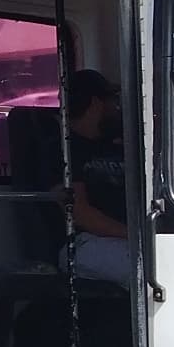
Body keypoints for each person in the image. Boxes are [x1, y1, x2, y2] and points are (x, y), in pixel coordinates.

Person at [55, 70, 131, 288]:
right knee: (152, 267)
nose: (117, 107)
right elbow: (79, 213)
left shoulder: (118, 145)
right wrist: (135, 236)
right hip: (82, 243)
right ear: (97, 103)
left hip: (125, 239)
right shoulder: (63, 149)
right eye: (113, 101)